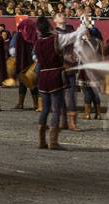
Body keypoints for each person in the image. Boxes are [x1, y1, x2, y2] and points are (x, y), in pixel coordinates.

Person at [34, 16, 73, 150]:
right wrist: (84, 26)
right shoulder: (56, 39)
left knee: (45, 109)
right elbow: (72, 37)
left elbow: (36, 58)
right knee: (56, 109)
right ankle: (53, 142)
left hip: (43, 76)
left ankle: (41, 141)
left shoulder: (37, 43)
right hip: (55, 76)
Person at [11, 17, 38, 111]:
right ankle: (36, 104)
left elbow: (12, 50)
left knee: (22, 82)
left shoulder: (18, 35)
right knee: (32, 82)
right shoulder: (35, 35)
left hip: (21, 62)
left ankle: (20, 103)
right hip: (32, 63)